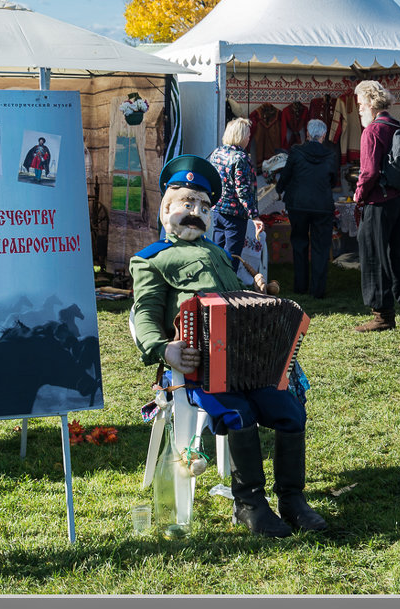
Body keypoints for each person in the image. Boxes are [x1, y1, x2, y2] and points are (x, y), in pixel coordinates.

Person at [129, 155, 326, 538]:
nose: (195, 213)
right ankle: (249, 504)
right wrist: (164, 350)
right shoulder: (151, 260)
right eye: (187, 204)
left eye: (203, 207)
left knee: (288, 410)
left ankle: (292, 499)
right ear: (166, 208)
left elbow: (232, 301)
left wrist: (255, 294)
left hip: (246, 361)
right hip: (198, 368)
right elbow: (146, 316)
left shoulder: (219, 253)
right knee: (238, 413)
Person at [352, 81, 400, 331]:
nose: (359, 110)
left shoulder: (372, 131)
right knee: (397, 255)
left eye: (361, 105)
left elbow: (369, 172)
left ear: (371, 103)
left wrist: (358, 195)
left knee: (374, 256)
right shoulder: (398, 126)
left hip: (379, 202)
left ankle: (382, 316)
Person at [277, 119, 339, 299]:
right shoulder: (330, 155)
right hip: (322, 205)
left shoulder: (296, 151)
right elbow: (333, 180)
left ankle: (300, 286)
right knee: (321, 247)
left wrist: (279, 189)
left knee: (299, 243)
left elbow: (286, 174)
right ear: (324, 136)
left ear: (308, 134)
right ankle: (318, 290)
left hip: (298, 204)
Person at [208, 118, 265, 262]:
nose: (249, 138)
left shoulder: (217, 153)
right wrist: (255, 216)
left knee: (217, 256)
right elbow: (243, 191)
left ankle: (216, 283)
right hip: (235, 215)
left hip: (217, 210)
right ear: (240, 136)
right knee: (231, 259)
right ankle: (229, 285)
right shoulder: (241, 158)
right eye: (247, 135)